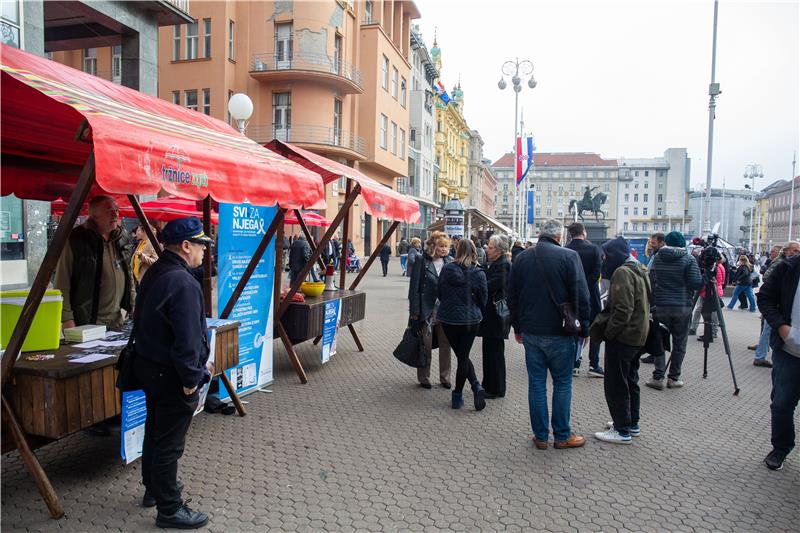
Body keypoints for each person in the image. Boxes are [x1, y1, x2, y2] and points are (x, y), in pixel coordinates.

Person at [133, 218, 211, 529]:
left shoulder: (157, 272)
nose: (205, 250)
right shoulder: (182, 281)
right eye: (201, 244)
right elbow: (187, 339)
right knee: (168, 443)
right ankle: (169, 508)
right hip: (171, 375)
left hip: (150, 369)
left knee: (155, 431)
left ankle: (154, 489)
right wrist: (192, 379)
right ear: (186, 246)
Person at [508, 219, 591, 450]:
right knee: (563, 383)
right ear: (558, 237)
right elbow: (582, 296)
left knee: (537, 384)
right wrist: (584, 328)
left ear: (540, 234)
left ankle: (541, 436)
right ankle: (562, 435)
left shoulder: (522, 258)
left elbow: (512, 296)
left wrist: (517, 327)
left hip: (531, 331)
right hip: (561, 331)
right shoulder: (569, 257)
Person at [590, 237, 650, 444]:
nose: (605, 259)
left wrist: (609, 333)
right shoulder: (639, 268)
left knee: (617, 383)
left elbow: (623, 309)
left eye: (607, 254)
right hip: (638, 334)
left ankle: (621, 428)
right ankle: (631, 422)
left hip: (624, 336)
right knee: (630, 380)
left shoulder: (622, 272)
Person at [54, 195, 134, 330]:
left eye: (116, 210)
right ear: (94, 215)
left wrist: (133, 304)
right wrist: (66, 318)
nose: (115, 215)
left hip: (117, 320)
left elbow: (128, 273)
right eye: (109, 211)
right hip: (88, 321)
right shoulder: (76, 240)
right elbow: (62, 281)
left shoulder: (121, 238)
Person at [756, 253, 800, 471]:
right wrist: (781, 326)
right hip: (790, 351)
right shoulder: (789, 267)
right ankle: (781, 448)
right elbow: (764, 297)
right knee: (782, 404)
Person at [645, 231, 702, 390]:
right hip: (681, 307)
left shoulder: (657, 258)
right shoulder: (689, 259)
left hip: (660, 306)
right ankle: (673, 378)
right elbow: (695, 283)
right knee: (679, 344)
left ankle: (657, 377)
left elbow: (650, 280)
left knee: (659, 341)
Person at [437, 239, 488, 410]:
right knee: (463, 356)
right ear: (474, 251)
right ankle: (471, 387)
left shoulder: (447, 269)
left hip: (449, 319)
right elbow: (484, 299)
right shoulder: (478, 273)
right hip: (471, 320)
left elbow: (440, 292)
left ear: (457, 250)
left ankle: (461, 395)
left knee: (461, 356)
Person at [408, 231, 453, 389]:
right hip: (426, 309)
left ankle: (445, 377)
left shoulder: (450, 261)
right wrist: (414, 311)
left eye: (446, 246)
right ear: (433, 246)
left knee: (446, 343)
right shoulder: (422, 260)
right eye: (441, 246)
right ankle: (424, 377)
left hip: (445, 310)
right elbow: (414, 287)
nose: (444, 249)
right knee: (425, 345)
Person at [566, 222, 604, 377]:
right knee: (595, 329)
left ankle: (574, 363)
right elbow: (596, 273)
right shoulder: (594, 249)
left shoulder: (566, 250)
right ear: (583, 232)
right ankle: (593, 365)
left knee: (573, 328)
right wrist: (585, 288)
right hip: (591, 295)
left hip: (571, 296)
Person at [753, 241, 800, 366]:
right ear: (785, 251)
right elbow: (765, 290)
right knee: (767, 330)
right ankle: (760, 354)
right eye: (794, 250)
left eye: (797, 251)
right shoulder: (784, 265)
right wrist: (782, 327)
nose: (796, 253)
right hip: (789, 350)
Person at [478, 234, 512, 399]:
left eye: (490, 248)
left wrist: (480, 282)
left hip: (496, 315)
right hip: (491, 315)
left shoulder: (504, 265)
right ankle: (489, 384)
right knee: (489, 351)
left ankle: (496, 388)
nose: (487, 250)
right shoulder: (496, 263)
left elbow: (491, 285)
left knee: (495, 353)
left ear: (499, 250)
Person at [689, 256, 725, 341]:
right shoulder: (715, 268)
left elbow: (715, 281)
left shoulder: (715, 269)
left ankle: (712, 332)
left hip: (711, 292)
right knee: (701, 310)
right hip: (706, 292)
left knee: (712, 313)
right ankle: (704, 330)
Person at [131, 223, 161, 289]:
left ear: (144, 232)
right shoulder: (140, 242)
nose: (136, 233)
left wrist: (142, 256)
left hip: (145, 281)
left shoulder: (152, 244)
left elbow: (156, 262)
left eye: (138, 231)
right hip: (136, 279)